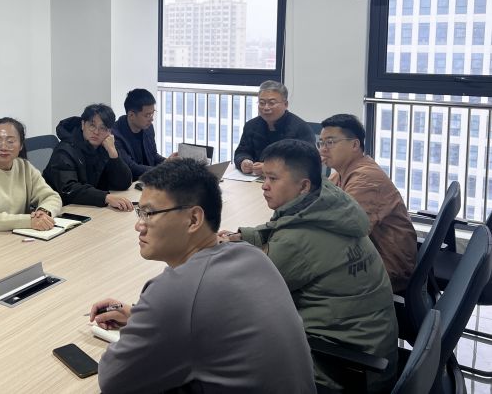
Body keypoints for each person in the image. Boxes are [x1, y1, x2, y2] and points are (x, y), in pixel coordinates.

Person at [89, 159, 316, 394]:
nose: (139, 225)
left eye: (149, 213)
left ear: (194, 219)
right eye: (140, 212)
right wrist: (143, 316)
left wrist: (149, 320)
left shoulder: (174, 291)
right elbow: (207, 317)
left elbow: (113, 379)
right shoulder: (253, 256)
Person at [222, 140, 397, 392]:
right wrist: (244, 236)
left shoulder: (297, 243)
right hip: (371, 345)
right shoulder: (330, 204)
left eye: (273, 179)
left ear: (303, 186)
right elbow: (285, 226)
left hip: (337, 368)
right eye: (264, 177)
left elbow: (244, 292)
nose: (265, 186)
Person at [319, 114, 417, 294]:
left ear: (355, 145)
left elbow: (343, 230)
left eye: (330, 142)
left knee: (302, 278)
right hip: (366, 256)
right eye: (321, 143)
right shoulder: (341, 173)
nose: (323, 149)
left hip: (386, 267)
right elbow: (317, 201)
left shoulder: (365, 179)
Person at [43, 103, 134, 210]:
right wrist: (105, 197)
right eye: (92, 125)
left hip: (87, 206)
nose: (96, 132)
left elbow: (124, 183)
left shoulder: (105, 147)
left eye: (103, 128)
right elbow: (68, 189)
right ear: (83, 125)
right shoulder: (65, 150)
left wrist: (114, 155)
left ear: (109, 132)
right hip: (60, 209)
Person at [234, 80, 315, 176]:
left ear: (286, 104)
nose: (266, 108)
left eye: (271, 103)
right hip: (254, 179)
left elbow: (308, 162)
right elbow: (242, 151)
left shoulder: (301, 128)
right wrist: (244, 161)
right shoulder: (251, 125)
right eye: (262, 103)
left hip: (288, 181)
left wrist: (270, 168)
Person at [112, 88, 177, 179]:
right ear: (131, 115)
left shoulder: (148, 128)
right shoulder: (115, 135)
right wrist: (163, 169)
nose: (151, 119)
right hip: (129, 183)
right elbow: (131, 167)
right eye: (147, 115)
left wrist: (168, 162)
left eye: (152, 113)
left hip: (147, 180)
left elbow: (153, 155)